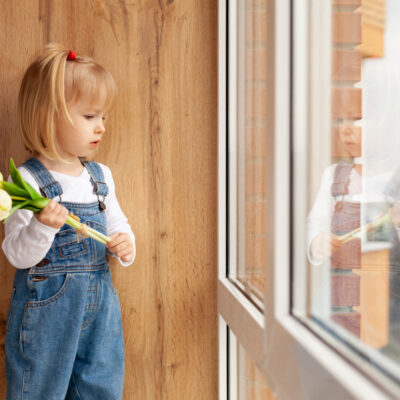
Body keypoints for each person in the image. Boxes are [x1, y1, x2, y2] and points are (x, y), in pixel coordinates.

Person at [1, 43, 136, 400]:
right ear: (50, 115)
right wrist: (43, 225)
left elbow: (117, 224)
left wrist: (125, 244)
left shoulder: (100, 176)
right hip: (48, 316)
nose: (101, 127)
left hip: (100, 313)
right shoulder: (27, 182)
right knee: (40, 389)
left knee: (101, 386)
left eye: (103, 117)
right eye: (90, 116)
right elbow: (16, 254)